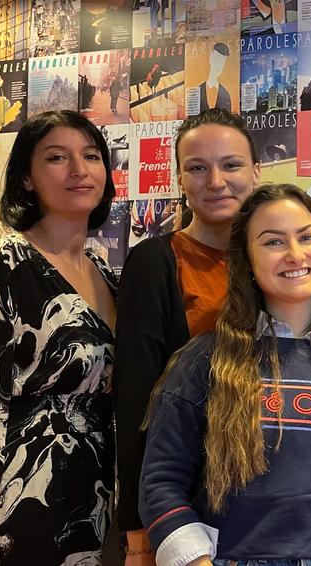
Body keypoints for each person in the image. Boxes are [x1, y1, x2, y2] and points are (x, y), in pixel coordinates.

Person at [140, 184, 311, 566]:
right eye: (273, 242)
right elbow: (161, 481)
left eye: (306, 237)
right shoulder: (204, 361)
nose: (295, 254)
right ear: (247, 261)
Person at [0, 110, 118, 565]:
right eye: (57, 157)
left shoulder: (107, 275)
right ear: (27, 179)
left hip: (89, 513)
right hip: (8, 520)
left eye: (91, 156)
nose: (79, 169)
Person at [114, 108, 261, 564]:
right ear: (180, 179)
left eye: (231, 165)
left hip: (274, 505)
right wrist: (138, 533)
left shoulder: (283, 261)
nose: (216, 181)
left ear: (257, 172)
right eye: (198, 167)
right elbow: (135, 399)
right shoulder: (156, 262)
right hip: (184, 504)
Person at [198, 43, 233, 113]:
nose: (219, 64)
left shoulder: (226, 95)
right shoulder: (197, 91)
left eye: (223, 60)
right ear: (211, 58)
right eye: (218, 57)